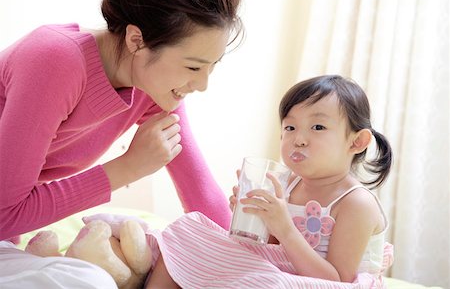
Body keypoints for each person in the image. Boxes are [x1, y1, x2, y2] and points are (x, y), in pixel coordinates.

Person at [0, 0, 243, 287]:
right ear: (136, 40)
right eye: (193, 67)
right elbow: (4, 213)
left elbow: (202, 196)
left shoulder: (153, 89)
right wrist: (128, 168)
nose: (203, 84)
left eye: (212, 66)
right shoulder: (56, 60)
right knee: (89, 281)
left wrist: (258, 263)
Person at [138, 74, 394, 288]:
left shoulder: (356, 203)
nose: (299, 139)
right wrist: (256, 220)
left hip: (325, 282)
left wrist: (284, 227)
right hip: (287, 274)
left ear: (357, 142)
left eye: (317, 127)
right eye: (290, 128)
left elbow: (338, 280)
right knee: (189, 229)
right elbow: (274, 253)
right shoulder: (290, 184)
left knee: (266, 283)